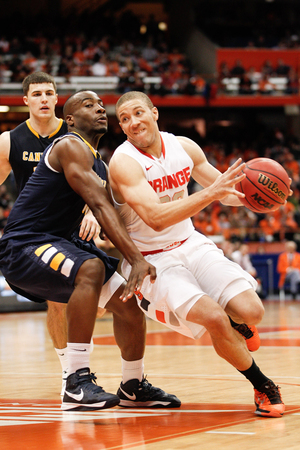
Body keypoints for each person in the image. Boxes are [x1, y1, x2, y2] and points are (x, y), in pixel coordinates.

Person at [0, 90, 181, 412]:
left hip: (59, 242)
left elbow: (110, 213)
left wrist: (138, 258)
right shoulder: (69, 145)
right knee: (91, 269)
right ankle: (75, 382)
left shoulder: (98, 163)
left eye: (100, 104)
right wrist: (136, 259)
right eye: (88, 105)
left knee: (129, 303)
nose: (99, 108)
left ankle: (132, 385)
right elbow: (99, 204)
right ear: (69, 119)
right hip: (24, 245)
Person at [108, 91, 286, 418]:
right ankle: (262, 385)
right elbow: (155, 218)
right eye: (124, 119)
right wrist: (211, 194)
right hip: (153, 260)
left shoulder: (185, 146)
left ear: (155, 113)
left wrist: (259, 197)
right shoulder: (123, 162)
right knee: (214, 319)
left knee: (253, 311)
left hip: (191, 243)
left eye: (137, 113)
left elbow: (226, 191)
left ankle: (241, 323)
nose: (132, 123)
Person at [0, 72, 100, 390]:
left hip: (72, 227)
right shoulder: (9, 141)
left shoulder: (76, 135)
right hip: (34, 234)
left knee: (105, 293)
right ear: (26, 100)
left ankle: (89, 372)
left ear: (57, 99)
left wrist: (92, 214)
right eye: (37, 94)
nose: (44, 98)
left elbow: (97, 181)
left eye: (49, 93)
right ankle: (70, 372)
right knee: (57, 301)